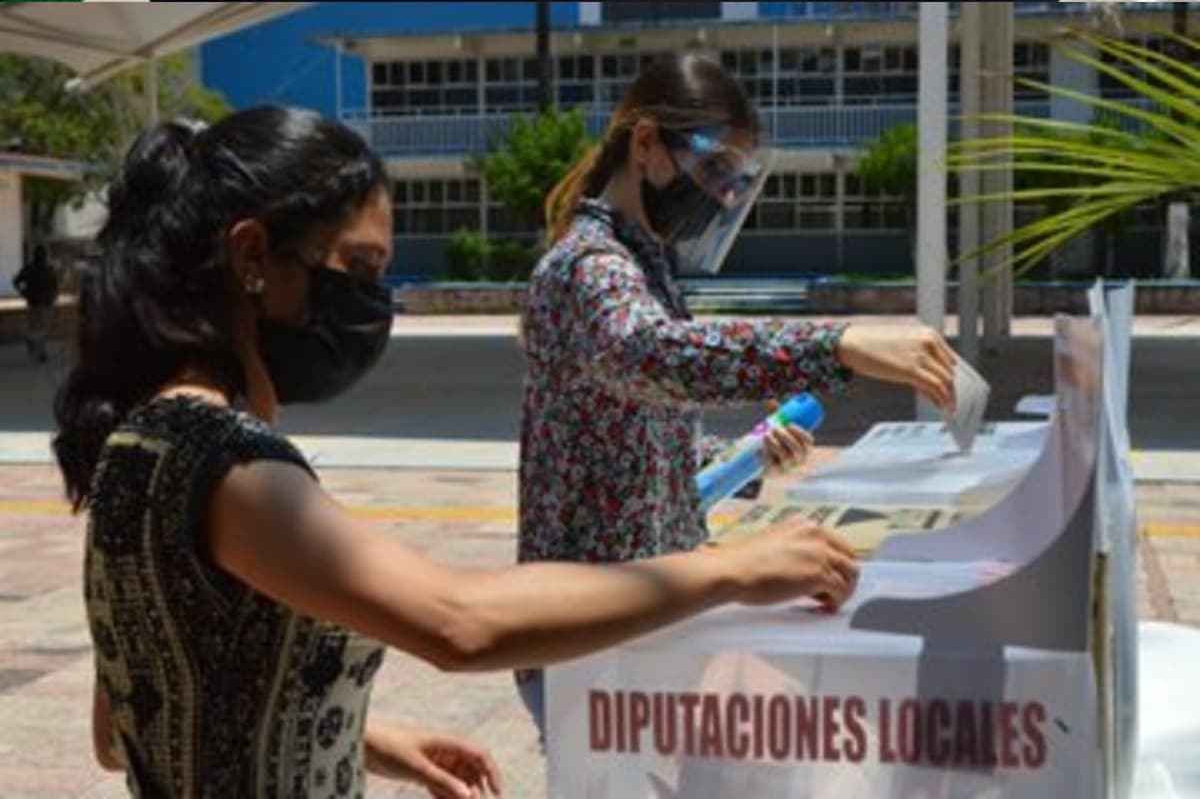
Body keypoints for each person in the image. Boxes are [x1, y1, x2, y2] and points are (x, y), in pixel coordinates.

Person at [54, 106, 860, 798]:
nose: (373, 304)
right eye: (358, 270)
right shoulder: (230, 468)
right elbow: (460, 623)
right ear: (253, 258)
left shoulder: (137, 441)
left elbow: (120, 727)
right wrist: (731, 570)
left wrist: (364, 738)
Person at [516, 52, 959, 738]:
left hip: (645, 618)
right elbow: (649, 356)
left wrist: (746, 456)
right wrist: (836, 345)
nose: (723, 193)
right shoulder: (589, 265)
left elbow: (636, 434)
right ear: (645, 144)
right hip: (588, 633)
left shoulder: (642, 263)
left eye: (735, 177)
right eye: (713, 166)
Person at [13, 243, 59, 363]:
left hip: (35, 301)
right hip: (42, 302)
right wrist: (53, 296)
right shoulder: (47, 269)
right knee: (42, 327)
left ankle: (36, 346)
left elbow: (16, 281)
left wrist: (23, 292)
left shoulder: (31, 268)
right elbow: (55, 285)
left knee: (36, 327)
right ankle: (39, 350)